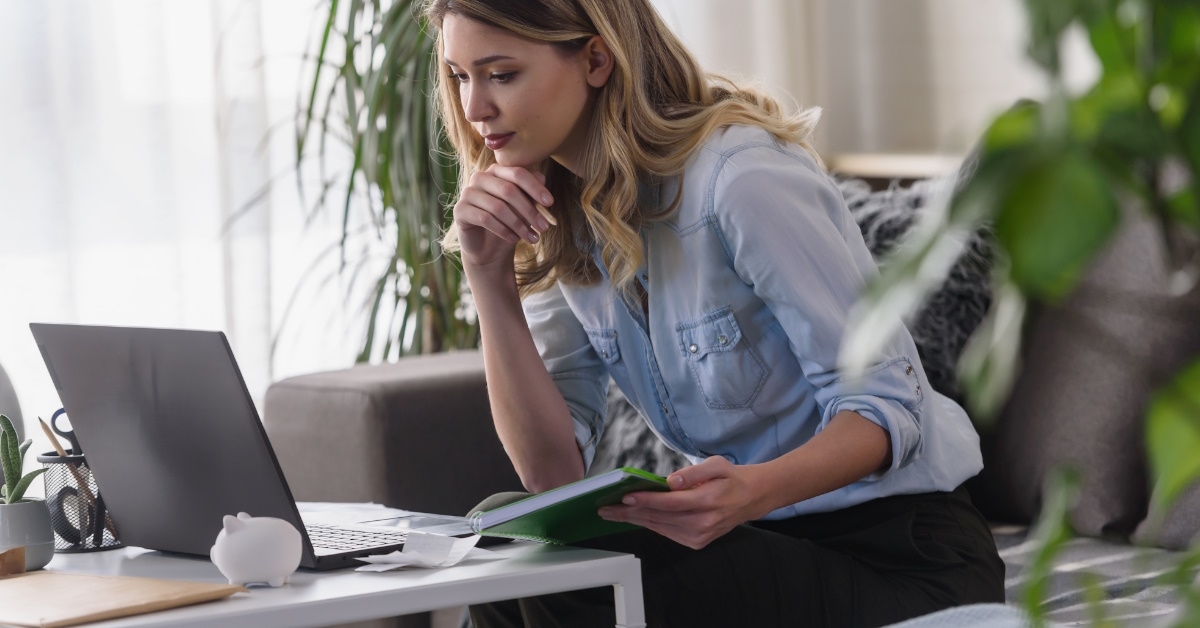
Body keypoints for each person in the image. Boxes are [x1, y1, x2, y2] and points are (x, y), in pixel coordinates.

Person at [424, 0, 1005, 625]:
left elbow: (889, 408)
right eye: (459, 77)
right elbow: (552, 474)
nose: (474, 108)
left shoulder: (741, 177)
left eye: (501, 75)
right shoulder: (552, 213)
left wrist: (751, 493)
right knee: (507, 540)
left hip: (901, 558)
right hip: (762, 548)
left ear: (596, 59)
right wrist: (489, 278)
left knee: (567, 580)